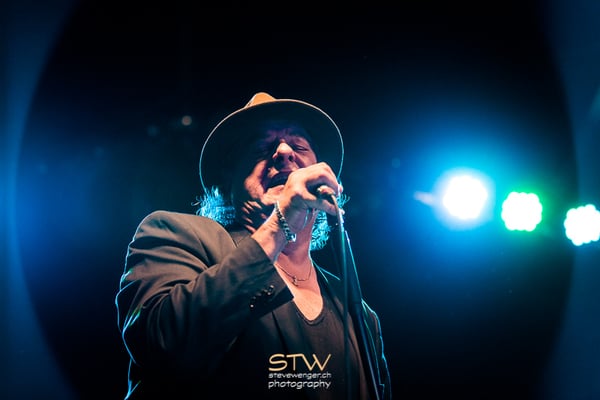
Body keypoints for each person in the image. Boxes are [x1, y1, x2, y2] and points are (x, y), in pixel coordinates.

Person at [115, 92, 391, 399]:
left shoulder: (358, 313)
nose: (284, 152)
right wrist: (281, 222)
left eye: (300, 146)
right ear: (229, 178)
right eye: (262, 147)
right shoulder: (177, 235)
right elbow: (162, 344)